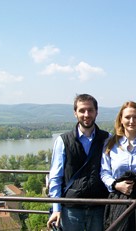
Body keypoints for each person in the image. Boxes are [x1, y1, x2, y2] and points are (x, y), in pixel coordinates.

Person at [46, 94, 110, 231]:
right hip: (71, 209)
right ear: (75, 113)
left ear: (96, 112)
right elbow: (55, 178)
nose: (86, 114)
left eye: (90, 110)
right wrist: (56, 209)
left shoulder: (107, 139)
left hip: (100, 206)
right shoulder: (63, 141)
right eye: (82, 110)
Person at [101, 101, 136, 231]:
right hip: (117, 200)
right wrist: (116, 185)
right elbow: (104, 172)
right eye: (127, 117)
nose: (131, 121)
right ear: (121, 120)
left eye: (135, 117)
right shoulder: (110, 144)